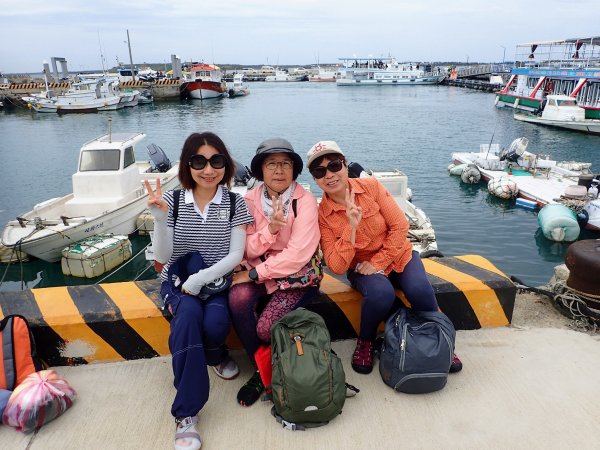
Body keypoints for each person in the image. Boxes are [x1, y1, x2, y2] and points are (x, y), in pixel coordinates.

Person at [306, 141, 462, 375]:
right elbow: (337, 265)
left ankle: (441, 336)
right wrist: (351, 228)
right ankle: (366, 341)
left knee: (419, 289)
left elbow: (400, 225)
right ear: (316, 179)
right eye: (320, 171)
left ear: (345, 165)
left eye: (334, 165)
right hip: (361, 267)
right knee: (382, 294)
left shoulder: (371, 188)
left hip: (397, 253)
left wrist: (379, 262)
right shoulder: (323, 216)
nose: (329, 174)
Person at [145, 132, 253, 450]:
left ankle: (213, 354)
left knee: (216, 325)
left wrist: (201, 279)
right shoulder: (175, 201)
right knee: (188, 318)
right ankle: (186, 412)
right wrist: (160, 220)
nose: (208, 169)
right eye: (199, 161)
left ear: (226, 164)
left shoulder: (235, 203)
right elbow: (164, 256)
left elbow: (235, 255)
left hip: (216, 282)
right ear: (187, 164)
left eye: (216, 160)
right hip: (179, 283)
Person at [229, 138, 320, 407]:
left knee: (267, 328)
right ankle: (263, 370)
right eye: (271, 164)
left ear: (294, 170)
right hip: (259, 269)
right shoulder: (249, 201)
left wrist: (257, 273)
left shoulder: (304, 202)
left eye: (285, 164)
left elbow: (298, 255)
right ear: (260, 170)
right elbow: (245, 248)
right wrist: (270, 232)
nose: (279, 170)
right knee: (237, 299)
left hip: (297, 276)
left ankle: (265, 369)